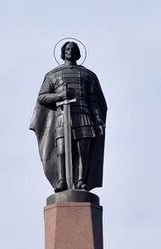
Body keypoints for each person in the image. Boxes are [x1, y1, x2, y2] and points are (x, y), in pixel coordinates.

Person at [30, 41, 107, 192]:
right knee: (62, 152)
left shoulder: (88, 75)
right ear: (63, 52)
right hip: (62, 118)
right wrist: (59, 96)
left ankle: (81, 181)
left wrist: (98, 121)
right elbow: (42, 97)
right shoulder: (53, 75)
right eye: (67, 49)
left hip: (84, 117)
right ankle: (61, 181)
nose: (70, 51)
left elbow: (94, 101)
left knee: (83, 152)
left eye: (73, 49)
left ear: (78, 53)